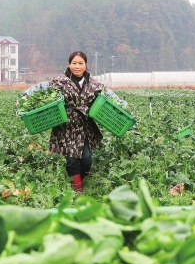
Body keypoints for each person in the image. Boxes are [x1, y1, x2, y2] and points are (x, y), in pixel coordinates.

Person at [22, 51, 126, 192]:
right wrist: (26, 96)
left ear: (86, 65)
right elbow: (42, 87)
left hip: (84, 126)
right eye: (74, 63)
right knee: (72, 160)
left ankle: (76, 180)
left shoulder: (93, 83)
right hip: (66, 126)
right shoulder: (60, 81)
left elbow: (108, 95)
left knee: (87, 159)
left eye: (80, 63)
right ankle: (78, 190)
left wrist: (121, 105)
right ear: (69, 64)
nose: (77, 66)